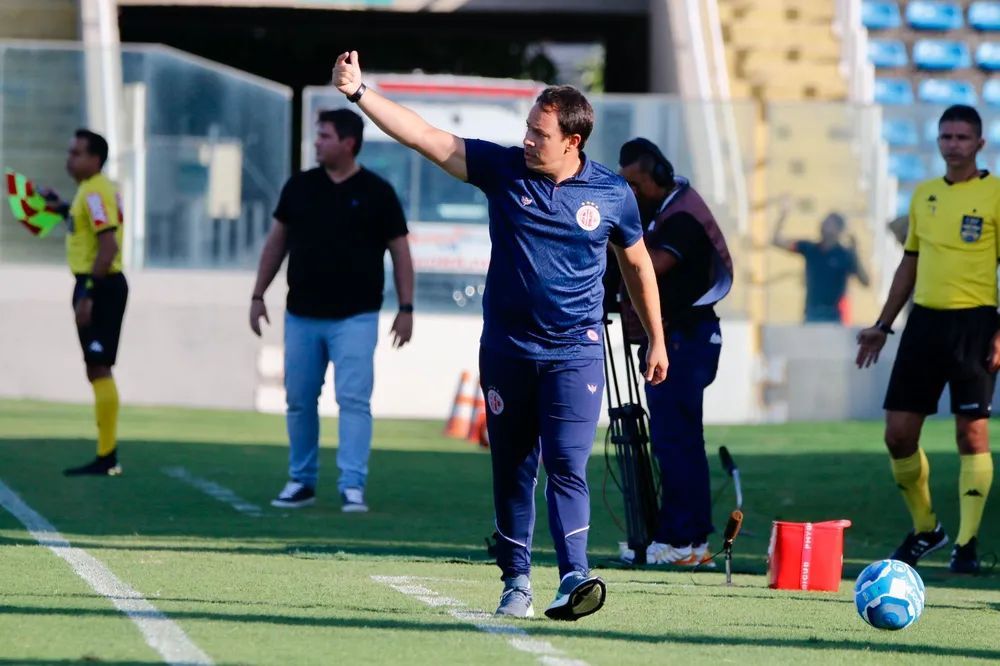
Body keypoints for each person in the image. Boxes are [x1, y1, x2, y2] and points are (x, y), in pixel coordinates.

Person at [332, 51, 667, 620]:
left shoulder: (612, 194)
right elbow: (426, 138)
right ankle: (516, 581)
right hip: (508, 351)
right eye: (528, 129)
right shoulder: (503, 169)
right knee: (514, 466)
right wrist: (361, 93)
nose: (528, 140)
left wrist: (655, 338)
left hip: (575, 352)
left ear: (573, 142)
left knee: (567, 463)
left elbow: (637, 267)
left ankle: (574, 577)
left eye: (540, 133)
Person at [857, 104, 999, 574]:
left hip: (976, 324)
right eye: (946, 137)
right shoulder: (924, 196)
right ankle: (926, 528)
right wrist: (882, 325)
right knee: (897, 435)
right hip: (924, 324)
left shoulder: (995, 194)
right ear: (938, 142)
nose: (953, 144)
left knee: (970, 433)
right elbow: (909, 264)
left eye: (962, 137)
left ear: (980, 144)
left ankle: (967, 542)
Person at [249, 108, 414, 513]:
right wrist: (257, 295)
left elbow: (401, 253)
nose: (317, 142)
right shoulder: (300, 187)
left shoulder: (378, 192)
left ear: (348, 143)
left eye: (324, 136)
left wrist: (406, 307)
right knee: (300, 399)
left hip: (355, 317)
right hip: (301, 315)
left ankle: (352, 485)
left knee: (354, 401)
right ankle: (301, 481)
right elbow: (276, 244)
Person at [617, 138, 733, 566]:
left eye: (634, 183)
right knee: (677, 441)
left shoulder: (681, 217)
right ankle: (686, 539)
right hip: (683, 337)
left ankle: (682, 541)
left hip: (687, 338)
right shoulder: (670, 209)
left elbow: (651, 266)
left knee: (675, 441)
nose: (629, 192)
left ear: (655, 177)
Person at [42, 130, 129, 476]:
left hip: (101, 284)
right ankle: (106, 454)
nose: (70, 158)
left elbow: (108, 247)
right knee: (95, 367)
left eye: (76, 153)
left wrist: (89, 293)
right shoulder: (91, 190)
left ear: (95, 159)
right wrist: (63, 207)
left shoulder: (94, 191)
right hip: (97, 283)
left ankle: (107, 456)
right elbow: (91, 228)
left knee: (99, 366)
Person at [772, 202, 870, 323]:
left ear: (839, 230)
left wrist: (856, 255)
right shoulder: (810, 248)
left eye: (829, 223)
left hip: (834, 316)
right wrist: (783, 215)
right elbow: (777, 241)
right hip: (811, 314)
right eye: (824, 221)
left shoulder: (845, 255)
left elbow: (865, 282)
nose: (823, 224)